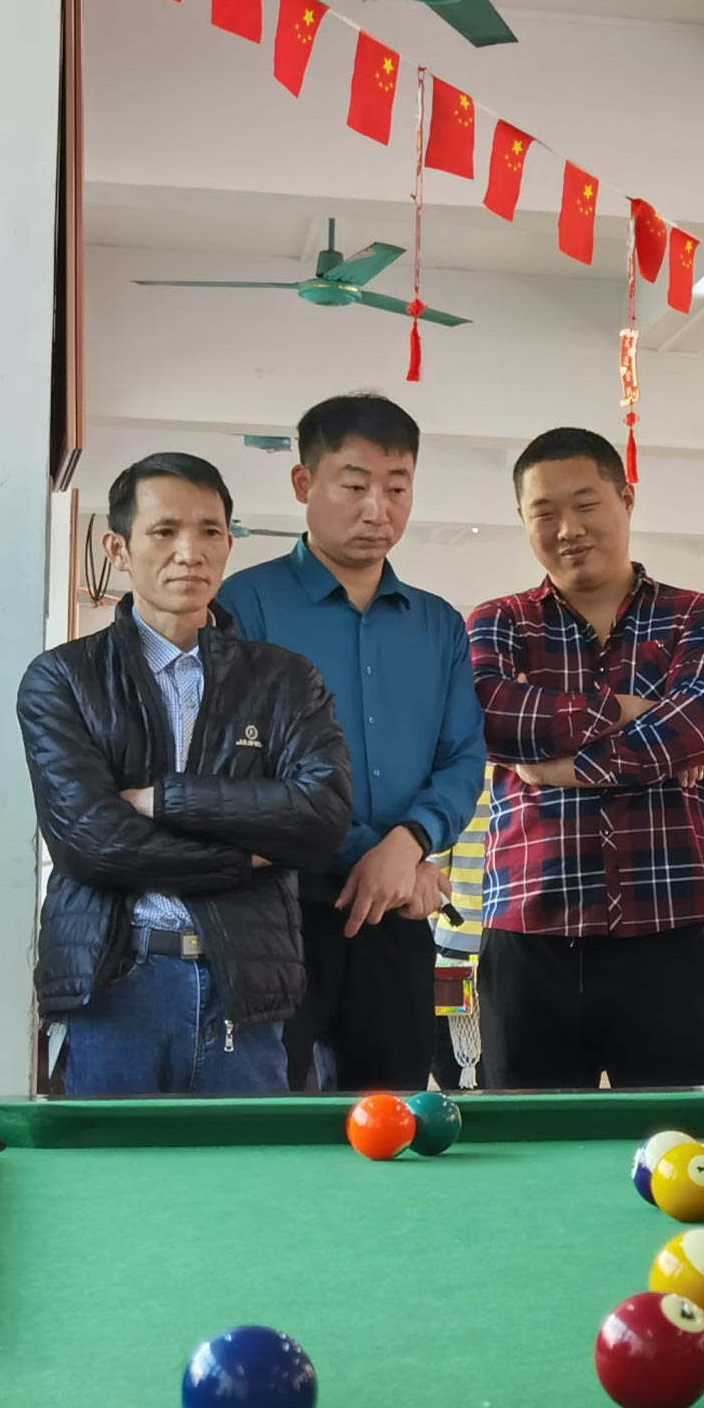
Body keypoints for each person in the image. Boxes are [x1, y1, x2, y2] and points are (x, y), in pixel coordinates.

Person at [25, 452, 352, 1100]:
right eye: (164, 531)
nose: (189, 552)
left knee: (246, 1166)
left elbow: (322, 817)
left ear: (229, 544)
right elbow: (91, 842)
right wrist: (246, 856)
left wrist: (164, 799)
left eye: (209, 532)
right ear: (119, 549)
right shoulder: (64, 679)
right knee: (118, 1168)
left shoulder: (285, 680)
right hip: (118, 984)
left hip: (246, 987)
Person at [216, 396, 481, 1093]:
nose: (377, 510)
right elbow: (243, 771)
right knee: (273, 1119)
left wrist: (410, 842)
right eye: (355, 485)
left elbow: (462, 759)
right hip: (275, 912)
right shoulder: (244, 607)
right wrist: (384, 856)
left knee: (393, 1115)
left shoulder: (438, 626)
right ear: (303, 483)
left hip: (396, 921)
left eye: (397, 489)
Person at [468, 429, 704, 1090]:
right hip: (529, 937)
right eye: (544, 512)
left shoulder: (696, 617)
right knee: (525, 1139)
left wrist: (554, 764)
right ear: (522, 518)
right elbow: (493, 718)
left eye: (586, 504)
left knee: (679, 1139)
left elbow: (697, 727)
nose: (568, 529)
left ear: (626, 499)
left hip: (665, 932)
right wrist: (625, 708)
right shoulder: (497, 623)